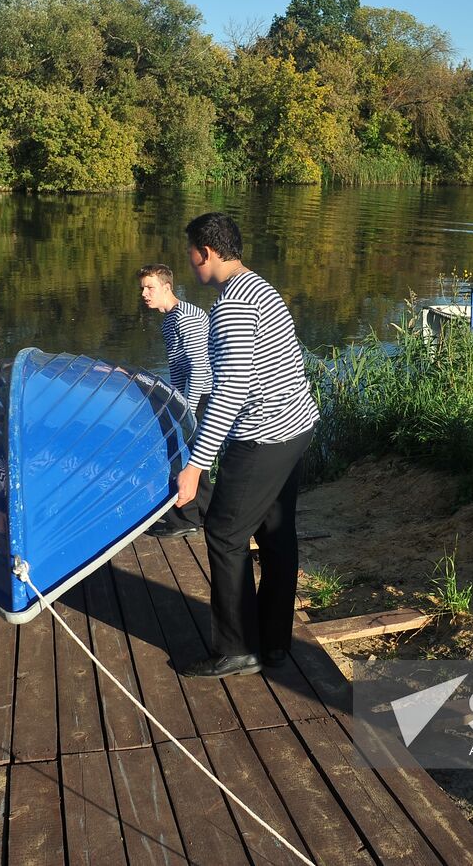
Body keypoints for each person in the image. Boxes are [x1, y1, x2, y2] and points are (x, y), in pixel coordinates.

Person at [174, 213, 319, 678]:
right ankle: (274, 640)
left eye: (191, 253)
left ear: (206, 253)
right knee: (276, 533)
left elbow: (232, 388)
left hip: (264, 435)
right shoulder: (258, 286)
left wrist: (195, 465)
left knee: (224, 532)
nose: (190, 262)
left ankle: (237, 647)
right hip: (296, 426)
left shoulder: (232, 305)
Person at [137, 264, 213, 537]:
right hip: (189, 396)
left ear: (167, 287)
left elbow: (199, 367)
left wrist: (188, 410)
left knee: (182, 457)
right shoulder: (172, 318)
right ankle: (205, 513)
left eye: (150, 287)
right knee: (196, 457)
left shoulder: (185, 317)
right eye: (143, 288)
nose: (145, 293)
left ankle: (185, 519)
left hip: (200, 397)